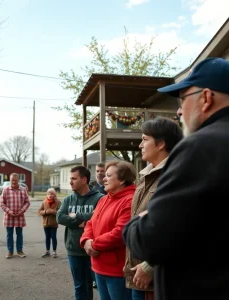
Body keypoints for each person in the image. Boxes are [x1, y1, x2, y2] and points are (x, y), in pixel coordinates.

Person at [123, 57, 229, 300]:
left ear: (206, 98)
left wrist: (134, 225)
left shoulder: (200, 147)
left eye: (182, 99)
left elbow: (152, 240)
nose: (179, 110)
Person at [123, 118, 182, 300]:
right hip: (138, 275)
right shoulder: (146, 176)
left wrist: (150, 265)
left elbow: (180, 227)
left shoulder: (176, 175)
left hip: (156, 278)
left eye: (145, 139)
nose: (140, 145)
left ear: (161, 144)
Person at [80, 160, 136, 300]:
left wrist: (93, 244)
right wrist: (86, 240)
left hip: (117, 271)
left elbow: (119, 233)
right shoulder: (104, 199)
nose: (103, 178)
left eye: (109, 175)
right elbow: (90, 223)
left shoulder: (129, 201)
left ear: (122, 180)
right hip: (98, 266)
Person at [57, 166, 104, 300]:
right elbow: (60, 217)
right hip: (74, 250)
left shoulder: (100, 199)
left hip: (95, 250)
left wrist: (74, 215)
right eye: (70, 179)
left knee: (101, 287)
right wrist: (82, 222)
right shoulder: (68, 199)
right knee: (80, 286)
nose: (70, 182)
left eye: (73, 178)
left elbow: (98, 218)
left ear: (84, 180)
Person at [0, 173, 30, 259]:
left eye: (15, 180)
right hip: (9, 217)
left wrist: (22, 211)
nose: (14, 182)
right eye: (12, 180)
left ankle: (20, 250)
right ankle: (10, 251)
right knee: (9, 234)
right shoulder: (5, 190)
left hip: (20, 216)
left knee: (19, 234)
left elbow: (27, 202)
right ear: (10, 180)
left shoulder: (23, 190)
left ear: (18, 180)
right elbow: (2, 203)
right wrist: (9, 211)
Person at [89, 162, 107, 289]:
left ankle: (102, 276)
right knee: (92, 252)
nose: (99, 173)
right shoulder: (90, 187)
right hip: (92, 224)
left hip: (106, 223)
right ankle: (94, 278)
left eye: (102, 171)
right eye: (97, 171)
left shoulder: (109, 186)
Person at [38, 187, 61, 258]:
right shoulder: (44, 202)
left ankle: (54, 251)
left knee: (53, 237)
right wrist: (45, 212)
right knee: (47, 237)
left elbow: (61, 212)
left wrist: (54, 212)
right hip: (46, 223)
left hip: (54, 223)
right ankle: (47, 251)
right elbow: (39, 212)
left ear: (54, 195)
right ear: (47, 195)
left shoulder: (58, 202)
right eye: (48, 194)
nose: (50, 195)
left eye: (51, 194)